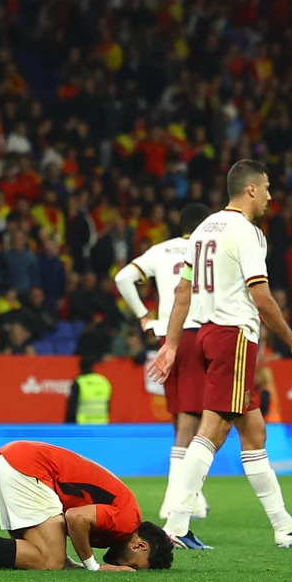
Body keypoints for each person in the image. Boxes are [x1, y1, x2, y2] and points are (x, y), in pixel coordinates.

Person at [149, 159, 292, 551]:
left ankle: (283, 526)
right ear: (250, 189)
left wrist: (173, 344)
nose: (270, 196)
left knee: (254, 430)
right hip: (234, 337)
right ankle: (176, 524)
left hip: (208, 333)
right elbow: (260, 295)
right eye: (267, 189)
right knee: (213, 430)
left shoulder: (204, 229)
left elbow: (182, 293)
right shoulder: (248, 233)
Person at [0, 441, 173, 572]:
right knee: (49, 560)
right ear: (141, 546)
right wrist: (93, 566)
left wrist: (72, 562)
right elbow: (75, 517)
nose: (126, 570)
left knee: (36, 556)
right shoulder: (127, 520)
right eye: (135, 567)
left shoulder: (123, 516)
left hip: (12, 461)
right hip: (29, 468)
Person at [114, 204, 211, 521]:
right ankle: (173, 500)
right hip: (195, 331)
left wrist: (144, 316)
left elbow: (123, 278)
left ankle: (192, 497)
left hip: (165, 336)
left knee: (181, 413)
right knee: (191, 417)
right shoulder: (206, 250)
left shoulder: (161, 250)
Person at [64, 353, 112, 424]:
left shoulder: (79, 382)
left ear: (80, 368)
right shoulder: (104, 382)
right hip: (101, 425)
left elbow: (72, 407)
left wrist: (68, 425)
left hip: (83, 425)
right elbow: (108, 406)